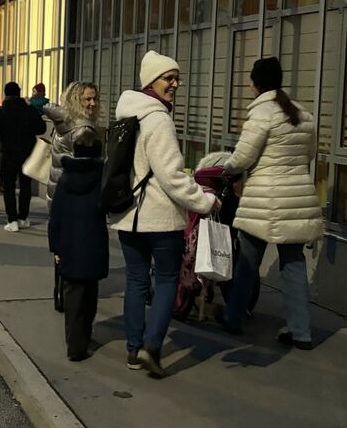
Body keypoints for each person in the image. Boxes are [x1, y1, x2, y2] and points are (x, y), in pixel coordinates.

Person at [110, 50, 220, 377]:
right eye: (168, 78)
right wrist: (205, 202)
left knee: (135, 281)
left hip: (129, 216)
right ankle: (152, 347)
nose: (175, 84)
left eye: (176, 78)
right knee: (168, 279)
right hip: (159, 217)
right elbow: (172, 176)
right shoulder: (158, 119)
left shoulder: (127, 115)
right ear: (152, 81)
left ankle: (133, 349)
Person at [214, 57, 323, 349]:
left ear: (255, 83)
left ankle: (233, 316)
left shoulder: (262, 113)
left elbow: (242, 158)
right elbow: (309, 154)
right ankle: (301, 331)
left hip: (265, 200)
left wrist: (226, 170)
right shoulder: (303, 114)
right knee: (294, 264)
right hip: (297, 200)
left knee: (248, 259)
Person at [48, 130, 108, 362]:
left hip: (68, 244)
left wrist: (55, 248)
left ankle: (74, 343)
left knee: (72, 294)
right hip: (93, 243)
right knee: (90, 293)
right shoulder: (101, 178)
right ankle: (85, 333)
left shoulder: (65, 178)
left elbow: (56, 217)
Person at [0, 82, 46, 232]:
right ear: (20, 92)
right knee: (25, 185)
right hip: (27, 152)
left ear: (5, 93)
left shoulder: (1, 112)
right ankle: (23, 217)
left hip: (8, 153)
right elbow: (41, 128)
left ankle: (12, 220)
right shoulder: (29, 110)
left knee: (8, 187)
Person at [42, 81, 100, 202]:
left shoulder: (64, 120)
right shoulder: (83, 130)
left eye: (95, 99)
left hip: (57, 190)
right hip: (73, 195)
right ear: (75, 101)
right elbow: (88, 172)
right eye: (87, 99)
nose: (93, 103)